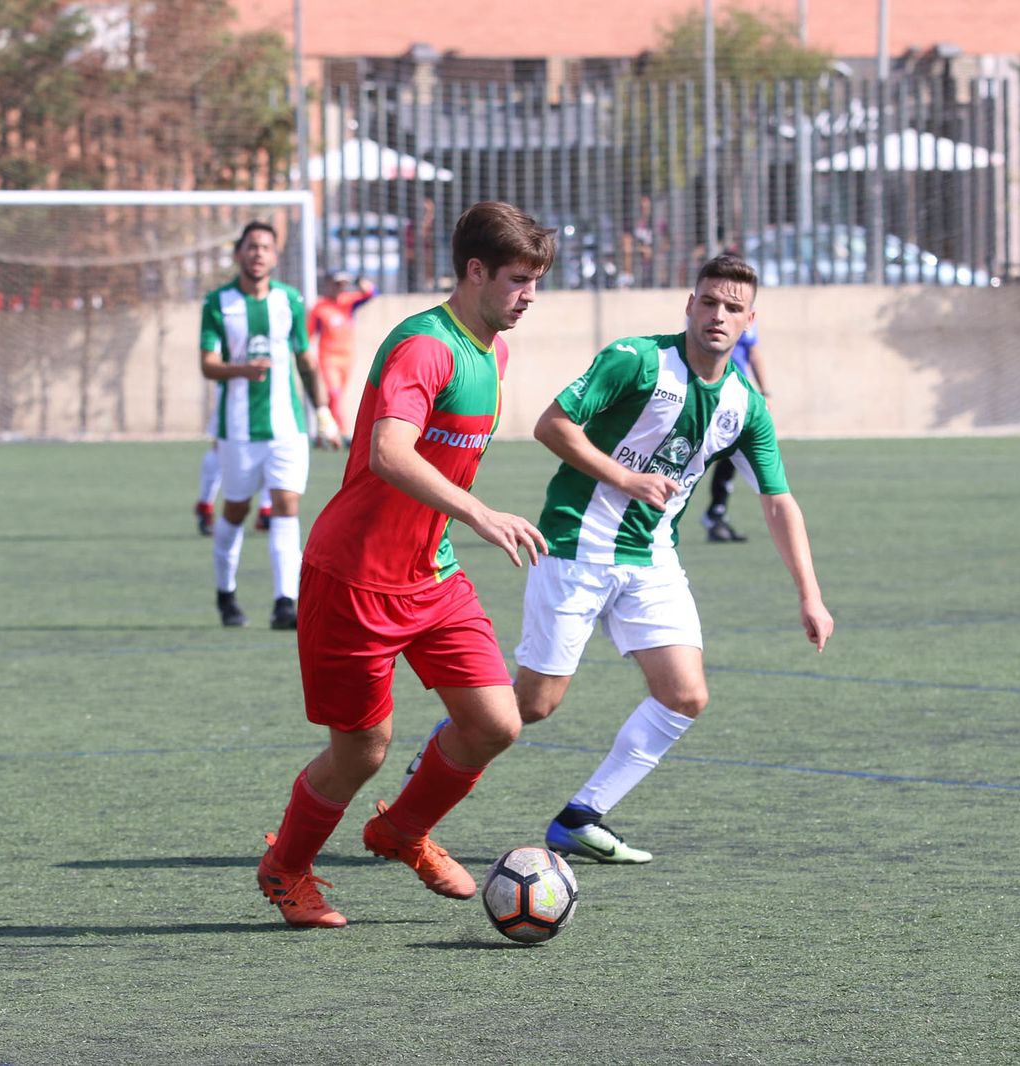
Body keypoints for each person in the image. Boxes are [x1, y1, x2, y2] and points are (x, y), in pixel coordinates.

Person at [402, 255, 832, 865]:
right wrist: (624, 477)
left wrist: (809, 595)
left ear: (749, 320)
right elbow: (551, 426)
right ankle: (436, 758)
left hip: (652, 559)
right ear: (689, 304)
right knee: (531, 707)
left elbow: (778, 502)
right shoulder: (637, 360)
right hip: (576, 546)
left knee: (685, 696)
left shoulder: (745, 404)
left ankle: (581, 817)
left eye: (732, 308)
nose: (718, 315)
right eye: (708, 301)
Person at [254, 202, 556, 928]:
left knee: (495, 722)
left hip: (433, 575)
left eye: (536, 281)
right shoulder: (425, 345)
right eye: (518, 279)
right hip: (354, 577)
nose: (530, 296)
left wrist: (456, 525)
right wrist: (479, 512)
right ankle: (286, 869)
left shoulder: (495, 350)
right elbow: (389, 452)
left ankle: (400, 830)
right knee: (361, 750)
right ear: (475, 271)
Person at [199, 220, 340, 629]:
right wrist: (241, 369)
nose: (258, 253)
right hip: (238, 428)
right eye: (251, 246)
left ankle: (285, 602)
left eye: (265, 247)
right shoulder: (218, 302)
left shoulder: (291, 301)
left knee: (286, 507)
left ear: (275, 257)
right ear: (238, 254)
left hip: (287, 428)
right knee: (237, 509)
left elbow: (305, 360)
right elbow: (207, 365)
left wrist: (323, 412)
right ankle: (226, 594)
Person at [701, 320, 769, 543]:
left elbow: (754, 353)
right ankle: (714, 514)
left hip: (734, 398)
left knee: (729, 456)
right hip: (713, 393)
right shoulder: (710, 316)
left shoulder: (744, 319)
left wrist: (764, 392)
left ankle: (716, 513)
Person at [306, 272, 378, 439]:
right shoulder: (320, 307)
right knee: (334, 394)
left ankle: (326, 432)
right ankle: (343, 432)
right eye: (336, 284)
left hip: (347, 358)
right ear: (328, 284)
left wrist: (358, 280)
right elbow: (310, 333)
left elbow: (372, 293)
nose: (340, 288)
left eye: (343, 284)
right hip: (328, 357)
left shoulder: (349, 301)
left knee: (337, 397)